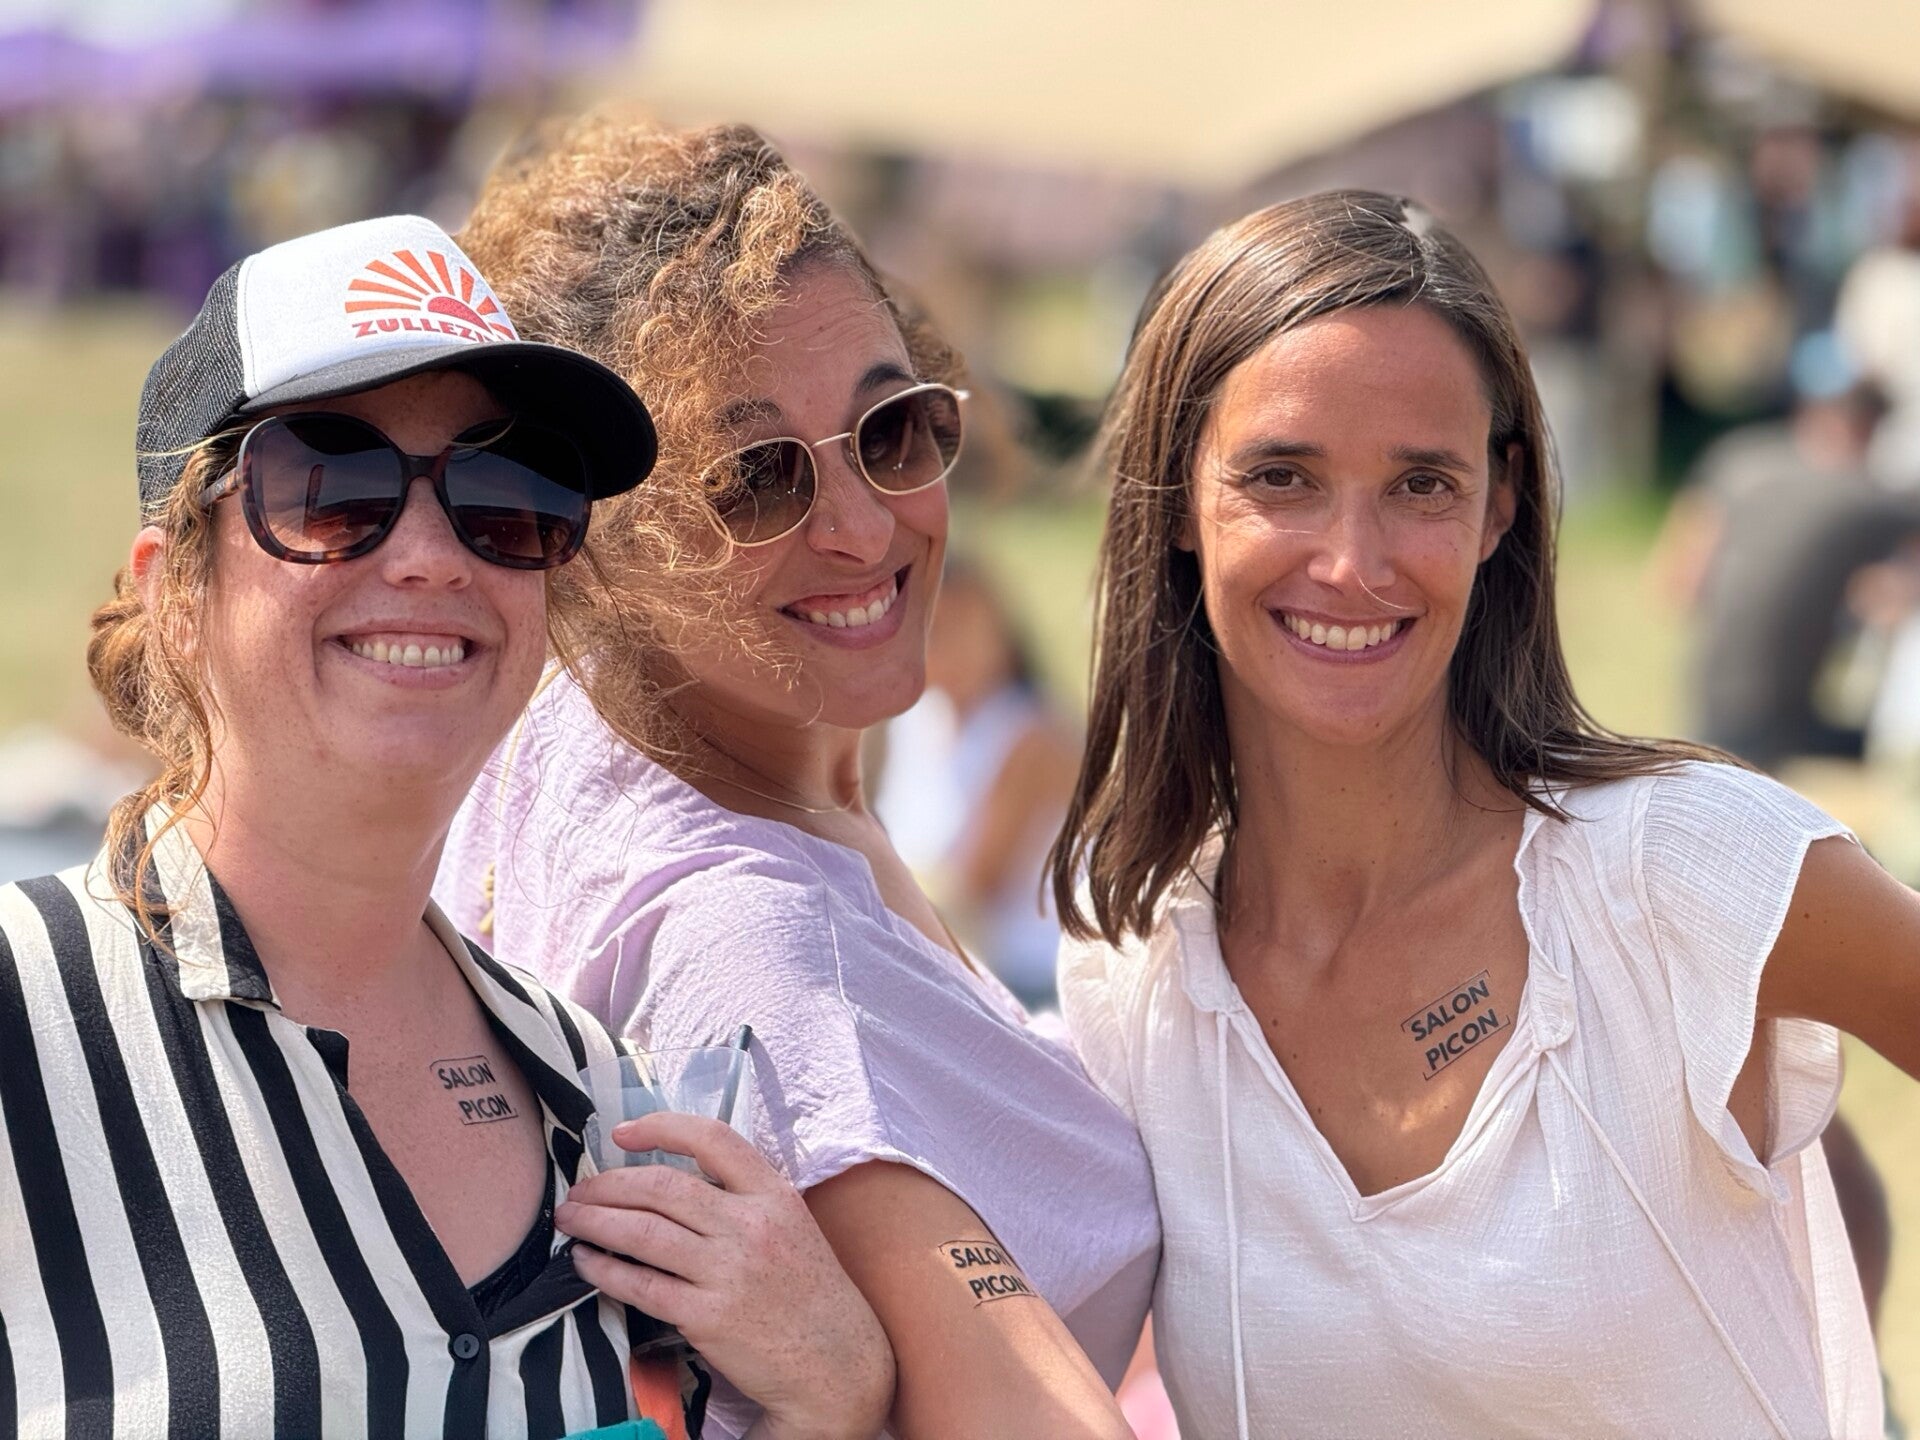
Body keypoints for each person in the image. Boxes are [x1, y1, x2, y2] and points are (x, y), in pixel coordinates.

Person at [0, 214, 892, 1439]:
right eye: (331, 486)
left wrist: (829, 1397)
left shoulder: (601, 1096)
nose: (430, 555)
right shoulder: (27, 1015)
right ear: (174, 593)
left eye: (507, 495)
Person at [1050, 191, 1920, 1439]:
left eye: (1421, 484)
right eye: (1283, 477)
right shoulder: (1132, 966)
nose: (1353, 563)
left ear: (1498, 505)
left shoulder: (1674, 869)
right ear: (1179, 499)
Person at [435, 115, 1158, 1440]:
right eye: (757, 479)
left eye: (891, 430)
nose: (865, 528)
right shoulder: (759, 940)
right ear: (596, 540)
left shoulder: (561, 733)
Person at [873, 555, 1078, 1009]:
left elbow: (973, 890)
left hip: (1030, 979)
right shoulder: (914, 721)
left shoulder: (1033, 736)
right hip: (944, 953)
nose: (958, 647)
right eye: (937, 629)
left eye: (970, 625)